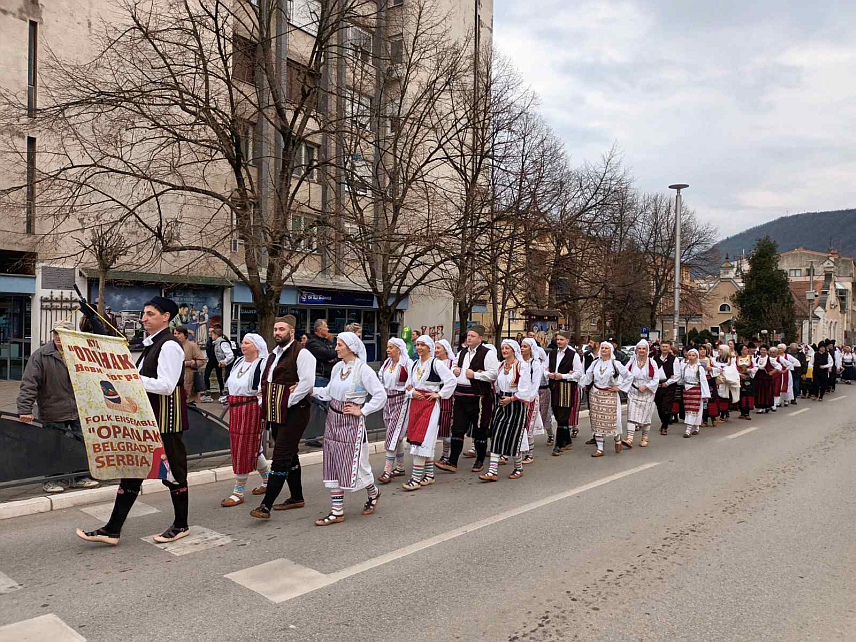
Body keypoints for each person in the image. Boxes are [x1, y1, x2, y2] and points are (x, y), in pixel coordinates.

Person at [77, 296, 190, 545]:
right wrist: (96, 322)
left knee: (174, 474)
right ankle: (112, 529)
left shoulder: (169, 345)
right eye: (144, 313)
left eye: (150, 313)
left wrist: (131, 379)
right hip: (146, 420)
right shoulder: (151, 344)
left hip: (166, 420)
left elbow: (167, 386)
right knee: (132, 472)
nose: (143, 318)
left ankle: (181, 525)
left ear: (166, 317)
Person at [310, 332, 386, 525]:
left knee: (356, 464)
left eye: (340, 345)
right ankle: (337, 511)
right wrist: (310, 390)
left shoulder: (364, 370)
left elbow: (380, 395)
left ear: (351, 348)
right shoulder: (337, 368)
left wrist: (362, 410)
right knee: (333, 462)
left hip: (351, 423)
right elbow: (328, 393)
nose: (336, 348)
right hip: (333, 421)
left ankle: (373, 492)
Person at [17, 321, 100, 494]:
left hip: (79, 410)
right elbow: (29, 384)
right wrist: (25, 409)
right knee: (53, 446)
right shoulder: (41, 355)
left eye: (62, 333)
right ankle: (53, 479)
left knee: (80, 444)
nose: (57, 337)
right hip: (53, 410)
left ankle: (80, 477)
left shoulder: (80, 354)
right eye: (55, 333)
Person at [250, 316, 316, 519]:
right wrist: (266, 397)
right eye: (276, 329)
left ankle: (265, 505)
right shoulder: (272, 355)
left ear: (292, 332)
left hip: (295, 411)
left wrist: (284, 401)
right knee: (290, 453)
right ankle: (297, 497)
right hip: (276, 411)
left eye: (282, 329)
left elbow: (305, 384)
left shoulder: (303, 354)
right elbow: (269, 381)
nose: (277, 332)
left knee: (280, 456)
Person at [435, 325, 498, 474]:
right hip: (461, 395)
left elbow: (494, 374)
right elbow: (454, 367)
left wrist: (475, 375)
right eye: (468, 335)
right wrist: (455, 370)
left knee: (480, 430)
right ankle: (452, 462)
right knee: (457, 429)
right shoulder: (462, 352)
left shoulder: (487, 353)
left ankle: (479, 460)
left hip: (479, 397)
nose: (469, 338)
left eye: (473, 336)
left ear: (480, 338)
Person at [220, 333, 271, 507]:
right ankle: (268, 481)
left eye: (247, 343)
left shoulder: (263, 364)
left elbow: (265, 388)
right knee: (248, 447)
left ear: (256, 346)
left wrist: (262, 405)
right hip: (236, 408)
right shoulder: (238, 362)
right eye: (242, 342)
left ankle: (238, 492)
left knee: (244, 447)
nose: (243, 345)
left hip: (251, 408)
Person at [400, 335, 456, 490]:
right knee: (421, 439)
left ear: (429, 347)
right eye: (417, 345)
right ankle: (429, 475)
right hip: (416, 404)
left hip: (429, 405)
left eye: (422, 345)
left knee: (422, 440)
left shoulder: (436, 364)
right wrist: (412, 394)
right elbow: (408, 385)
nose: (418, 348)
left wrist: (440, 394)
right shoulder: (415, 364)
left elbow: (451, 380)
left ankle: (416, 479)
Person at [480, 339, 534, 481]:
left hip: (516, 403)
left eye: (507, 348)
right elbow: (496, 382)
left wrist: (511, 398)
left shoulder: (522, 366)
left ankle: (518, 467)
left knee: (514, 436)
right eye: (502, 348)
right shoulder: (501, 365)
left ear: (513, 350)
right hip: (502, 402)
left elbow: (525, 388)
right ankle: (492, 471)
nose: (504, 351)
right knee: (497, 434)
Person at [580, 342, 632, 456]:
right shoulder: (595, 363)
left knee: (613, 420)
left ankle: (617, 439)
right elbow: (587, 377)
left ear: (611, 350)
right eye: (602, 348)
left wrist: (619, 387)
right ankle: (600, 448)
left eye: (606, 348)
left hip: (610, 395)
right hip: (596, 394)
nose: (604, 350)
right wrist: (580, 383)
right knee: (597, 421)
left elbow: (629, 376)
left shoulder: (615, 363)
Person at [377, 338, 411, 484]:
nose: (388, 350)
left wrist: (410, 389)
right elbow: (380, 378)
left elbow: (414, 380)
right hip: (388, 400)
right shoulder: (387, 363)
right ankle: (401, 466)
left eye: (391, 347)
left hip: (401, 399)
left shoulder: (407, 364)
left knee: (392, 434)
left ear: (399, 349)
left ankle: (387, 470)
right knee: (395, 434)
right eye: (387, 347)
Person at [547, 330, 584, 456]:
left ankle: (558, 445)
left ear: (567, 341)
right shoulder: (552, 353)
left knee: (563, 416)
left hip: (566, 388)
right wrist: (549, 374)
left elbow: (579, 374)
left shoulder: (573, 355)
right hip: (554, 387)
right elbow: (545, 369)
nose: (559, 342)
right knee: (557, 415)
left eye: (562, 340)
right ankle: (567, 441)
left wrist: (562, 376)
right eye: (558, 339)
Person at [623, 339, 662, 448]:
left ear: (647, 350)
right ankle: (629, 439)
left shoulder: (652, 362)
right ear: (636, 350)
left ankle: (644, 438)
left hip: (647, 393)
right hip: (634, 391)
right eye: (639, 348)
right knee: (631, 414)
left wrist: (646, 386)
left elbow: (656, 379)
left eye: (644, 349)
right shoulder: (632, 361)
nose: (641, 351)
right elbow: (625, 373)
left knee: (646, 416)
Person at [673, 349, 711, 438]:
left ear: (696, 357)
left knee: (694, 410)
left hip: (696, 389)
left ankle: (688, 429)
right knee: (688, 410)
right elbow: (681, 378)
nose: (691, 357)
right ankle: (696, 426)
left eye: (693, 355)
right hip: (687, 390)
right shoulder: (685, 367)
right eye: (689, 355)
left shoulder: (699, 368)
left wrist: (706, 394)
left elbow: (703, 381)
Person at [434, 339, 456, 466]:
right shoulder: (433, 363)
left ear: (446, 349)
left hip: (450, 397)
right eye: (435, 348)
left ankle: (446, 455)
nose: (436, 350)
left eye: (439, 348)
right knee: (439, 425)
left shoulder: (453, 363)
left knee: (448, 425)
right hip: (436, 396)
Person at [173, 327, 205, 404]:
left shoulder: (192, 345)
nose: (176, 335)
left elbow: (202, 361)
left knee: (188, 404)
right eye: (175, 334)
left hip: (189, 379)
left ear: (185, 335)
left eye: (179, 333)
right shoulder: (174, 346)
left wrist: (188, 363)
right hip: (176, 379)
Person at [306, 319, 338, 388]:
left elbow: (337, 352)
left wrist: (334, 358)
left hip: (330, 377)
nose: (328, 329)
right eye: (326, 327)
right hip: (319, 378)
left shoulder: (326, 341)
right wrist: (331, 355)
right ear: (320, 329)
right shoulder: (312, 343)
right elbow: (327, 354)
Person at [654, 341, 678, 435]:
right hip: (657, 386)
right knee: (659, 406)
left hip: (669, 386)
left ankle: (665, 426)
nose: (664, 348)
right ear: (660, 347)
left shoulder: (674, 359)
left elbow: (676, 375)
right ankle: (663, 422)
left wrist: (667, 383)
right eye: (663, 346)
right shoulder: (655, 358)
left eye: (666, 346)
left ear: (669, 348)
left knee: (666, 407)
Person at [753, 345, 780, 413]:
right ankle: (760, 407)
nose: (762, 351)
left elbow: (779, 366)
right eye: (761, 350)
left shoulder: (770, 359)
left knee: (766, 392)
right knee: (759, 392)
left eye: (764, 350)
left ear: (767, 351)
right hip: (758, 376)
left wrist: (773, 372)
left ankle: (766, 406)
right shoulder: (756, 358)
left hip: (766, 377)